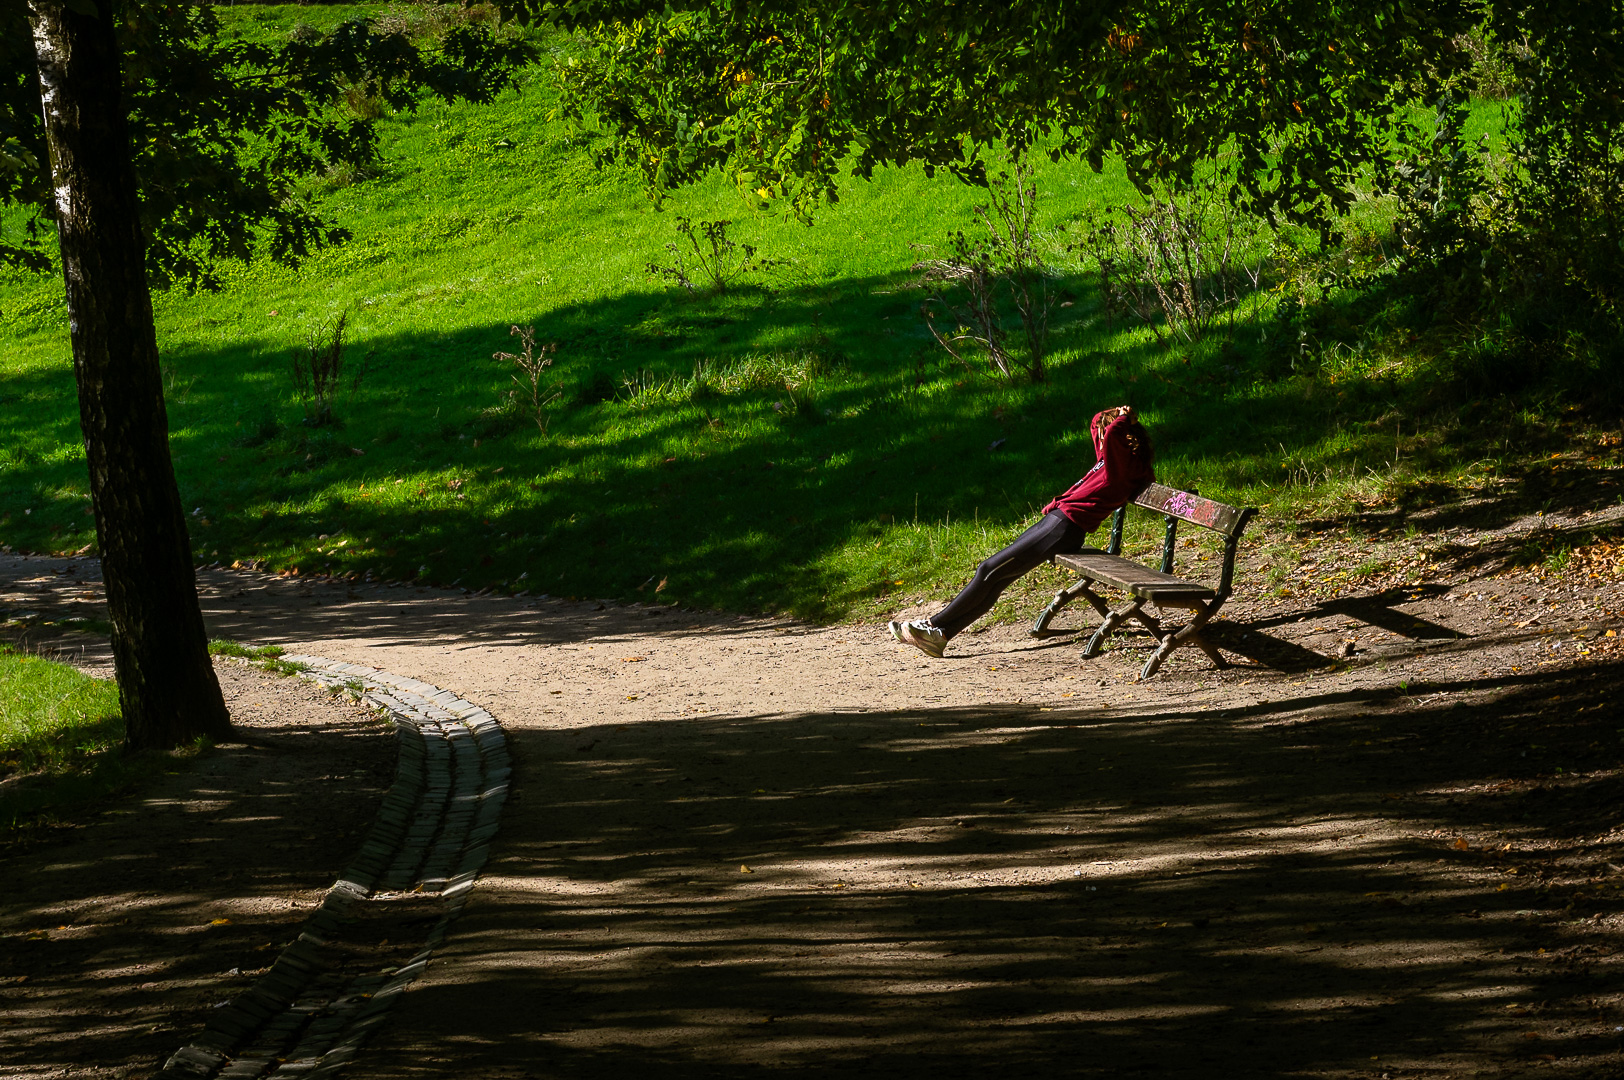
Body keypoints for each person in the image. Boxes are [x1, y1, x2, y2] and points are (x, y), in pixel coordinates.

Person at [889, 405, 1154, 658]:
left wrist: (1121, 421)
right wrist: (1117, 418)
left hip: (1063, 528)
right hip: (1059, 523)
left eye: (1104, 434)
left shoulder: (1123, 467)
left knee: (988, 569)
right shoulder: (1111, 461)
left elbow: (1109, 436)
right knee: (998, 580)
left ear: (1122, 437)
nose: (1098, 437)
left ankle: (932, 625)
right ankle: (941, 635)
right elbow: (1099, 424)